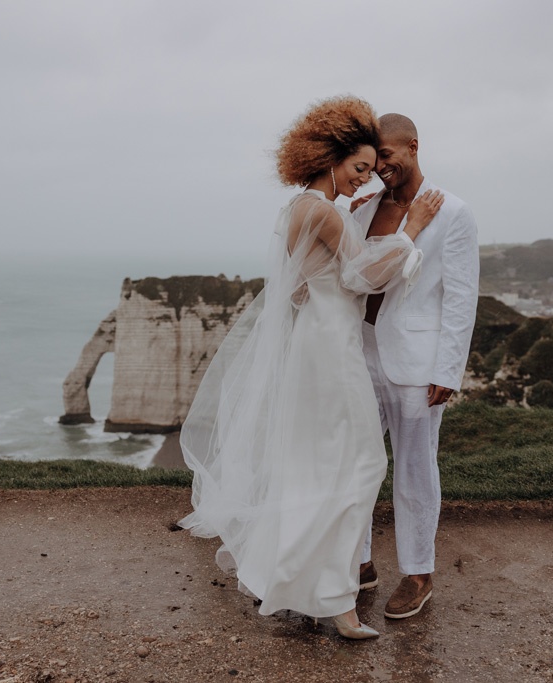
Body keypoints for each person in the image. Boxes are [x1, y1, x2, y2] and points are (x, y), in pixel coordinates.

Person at [178, 97, 444, 639]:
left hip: (312, 345)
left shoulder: (298, 209)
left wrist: (355, 214)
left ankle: (308, 585)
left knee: (315, 467)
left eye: (371, 170)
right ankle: (335, 600)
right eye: (358, 169)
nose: (365, 180)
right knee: (361, 464)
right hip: (333, 350)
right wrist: (411, 228)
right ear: (330, 158)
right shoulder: (326, 213)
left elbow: (304, 285)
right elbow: (364, 276)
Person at [351, 113, 479, 619]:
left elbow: (461, 296)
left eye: (387, 155)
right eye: (373, 157)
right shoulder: (364, 208)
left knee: (414, 468)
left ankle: (419, 573)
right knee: (356, 462)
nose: (380, 166)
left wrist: (449, 369)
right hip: (360, 353)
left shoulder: (453, 211)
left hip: (418, 363)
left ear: (412, 146)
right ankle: (359, 563)